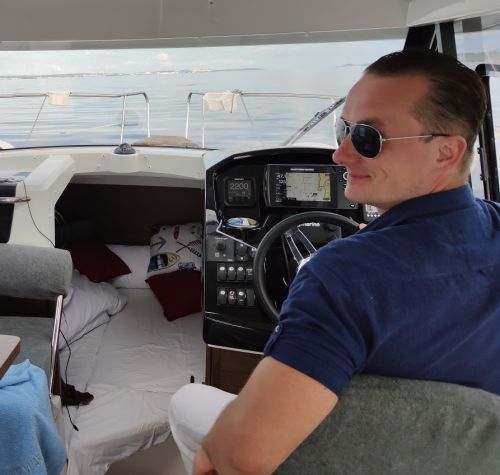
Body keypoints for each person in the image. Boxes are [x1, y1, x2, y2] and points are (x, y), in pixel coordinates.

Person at [169, 48, 500, 474]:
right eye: (342, 129)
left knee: (187, 400)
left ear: (446, 153)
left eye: (367, 137)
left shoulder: (341, 275)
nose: (340, 154)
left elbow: (240, 457)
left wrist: (331, 273)